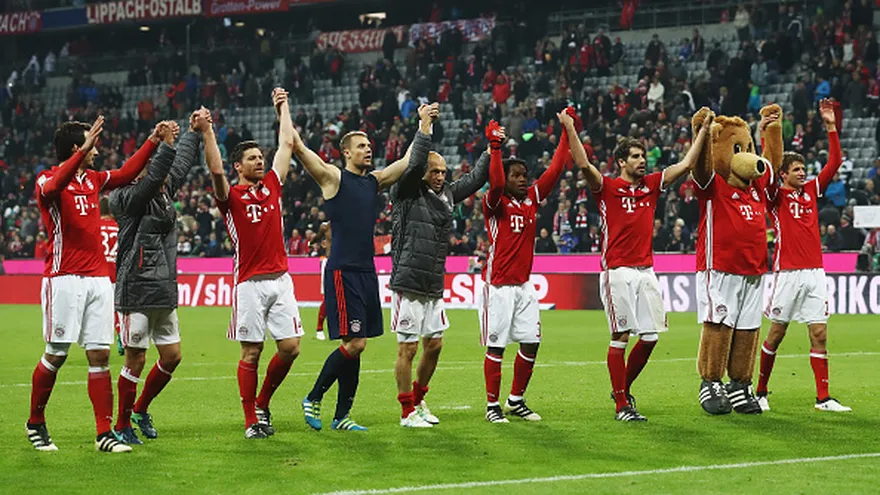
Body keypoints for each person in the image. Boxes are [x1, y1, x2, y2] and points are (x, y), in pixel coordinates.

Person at [296, 99, 436, 432]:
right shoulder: (334, 179)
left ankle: (342, 416)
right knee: (354, 344)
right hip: (343, 270)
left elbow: (407, 161)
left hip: (367, 272)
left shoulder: (373, 181)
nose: (368, 150)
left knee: (357, 348)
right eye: (361, 146)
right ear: (346, 152)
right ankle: (313, 397)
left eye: (369, 145)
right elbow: (303, 153)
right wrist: (285, 118)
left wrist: (424, 124)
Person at [28, 116, 162, 453]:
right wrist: (81, 152)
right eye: (91, 144)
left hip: (98, 280)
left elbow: (127, 174)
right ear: (77, 148)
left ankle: (104, 433)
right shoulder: (47, 178)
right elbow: (54, 187)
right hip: (63, 279)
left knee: (100, 355)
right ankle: (36, 422)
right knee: (57, 353)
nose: (97, 151)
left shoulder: (94, 180)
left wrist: (152, 140)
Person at [578, 122, 710, 421]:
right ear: (621, 161)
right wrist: (569, 126)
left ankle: (622, 389)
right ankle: (622, 405)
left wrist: (703, 129)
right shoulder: (607, 188)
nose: (642, 161)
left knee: (650, 337)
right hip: (617, 271)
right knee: (621, 335)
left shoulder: (652, 184)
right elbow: (583, 163)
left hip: (646, 270)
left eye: (644, 156)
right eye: (636, 156)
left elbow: (687, 163)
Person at [209, 89, 303, 439]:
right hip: (249, 282)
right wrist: (208, 132)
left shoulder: (272, 187)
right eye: (252, 158)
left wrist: (283, 107)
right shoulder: (229, 197)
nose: (260, 161)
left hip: (281, 280)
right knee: (251, 351)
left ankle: (262, 402)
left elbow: (287, 146)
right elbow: (215, 168)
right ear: (239, 166)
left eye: (260, 157)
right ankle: (251, 420)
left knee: (290, 348)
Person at [389, 104, 489, 428]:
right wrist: (424, 126)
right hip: (408, 281)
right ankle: (406, 413)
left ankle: (418, 402)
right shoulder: (405, 191)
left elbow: (475, 180)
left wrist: (492, 150)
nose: (441, 177)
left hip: (433, 283)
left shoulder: (446, 194)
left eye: (444, 172)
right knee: (408, 348)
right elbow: (416, 160)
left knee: (435, 345)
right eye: (435, 172)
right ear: (421, 173)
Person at [109, 113, 205, 445]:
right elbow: (153, 179)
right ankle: (121, 424)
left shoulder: (162, 189)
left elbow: (179, 166)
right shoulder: (122, 197)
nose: (164, 177)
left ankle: (140, 409)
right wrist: (163, 144)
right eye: (155, 169)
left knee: (173, 357)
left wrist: (194, 134)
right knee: (136, 359)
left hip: (163, 288)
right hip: (135, 288)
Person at [479, 109, 574, 424]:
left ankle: (515, 399)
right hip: (499, 286)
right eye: (516, 175)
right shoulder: (495, 203)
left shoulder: (532, 198)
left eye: (525, 175)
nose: (523, 180)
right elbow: (494, 183)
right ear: (504, 178)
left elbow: (556, 169)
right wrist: (495, 149)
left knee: (532, 342)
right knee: (496, 346)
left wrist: (565, 131)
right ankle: (492, 406)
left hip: (523, 285)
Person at [759, 99, 850, 413]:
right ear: (783, 174)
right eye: (796, 170)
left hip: (815, 273)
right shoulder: (775, 195)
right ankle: (760, 391)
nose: (802, 173)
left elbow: (834, 163)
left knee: (820, 332)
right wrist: (764, 137)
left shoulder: (811, 189)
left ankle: (823, 398)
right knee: (777, 332)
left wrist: (831, 127)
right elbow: (764, 170)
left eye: (803, 169)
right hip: (787, 272)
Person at [693, 108, 776, 415]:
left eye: (747, 148)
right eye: (737, 149)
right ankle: (710, 381)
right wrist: (700, 133)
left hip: (754, 269)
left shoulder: (756, 191)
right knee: (719, 324)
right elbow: (699, 168)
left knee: (749, 328)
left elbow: (771, 166)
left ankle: (739, 383)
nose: (746, 156)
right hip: (720, 268)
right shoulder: (713, 184)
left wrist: (768, 131)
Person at [98, 198, 121, 356]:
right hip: (116, 272)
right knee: (116, 308)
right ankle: (122, 334)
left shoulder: (94, 226)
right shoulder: (119, 227)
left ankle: (97, 341)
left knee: (98, 309)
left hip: (98, 273)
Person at [315, 222, 331, 341]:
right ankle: (319, 328)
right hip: (329, 262)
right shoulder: (327, 227)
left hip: (343, 262)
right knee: (328, 297)